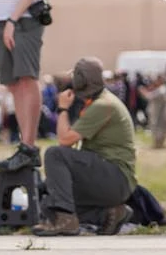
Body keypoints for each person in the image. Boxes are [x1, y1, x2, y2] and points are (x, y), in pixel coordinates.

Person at [33, 58, 138, 237]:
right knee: (49, 202)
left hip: (116, 177)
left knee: (54, 154)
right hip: (111, 177)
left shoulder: (103, 105)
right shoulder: (97, 102)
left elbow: (65, 141)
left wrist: (63, 108)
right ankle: (110, 214)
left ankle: (66, 220)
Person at [0, 0, 48, 172]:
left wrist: (13, 20)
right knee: (13, 84)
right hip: (2, 17)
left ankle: (29, 146)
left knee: (26, 79)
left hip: (25, 18)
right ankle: (24, 146)